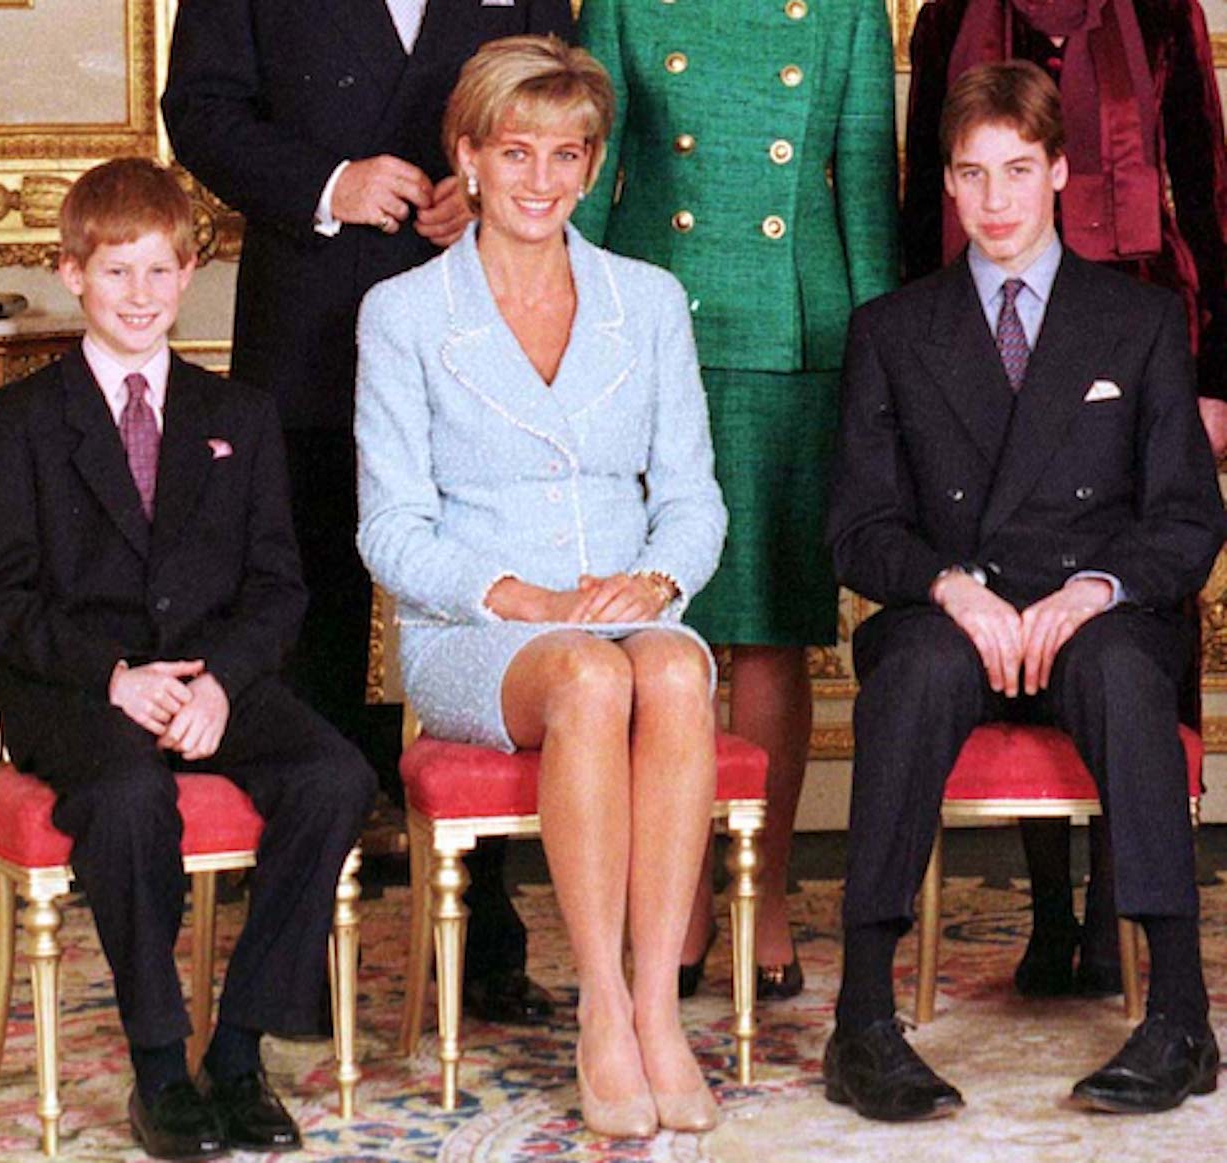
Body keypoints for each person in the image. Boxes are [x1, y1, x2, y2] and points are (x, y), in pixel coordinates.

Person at [824, 62, 1224, 1121]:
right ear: (946, 187)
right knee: (905, 672)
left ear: (1056, 171)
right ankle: (861, 1020)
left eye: (1015, 169)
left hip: (1093, 615)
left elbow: (1186, 516)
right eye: (970, 174)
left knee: (1131, 678)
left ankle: (1180, 1015)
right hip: (953, 612)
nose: (994, 200)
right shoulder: (891, 330)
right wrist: (951, 588)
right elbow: (857, 530)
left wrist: (1094, 588)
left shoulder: (1136, 322)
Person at [162, 0, 575, 1027]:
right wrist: (328, 185)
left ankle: (484, 945)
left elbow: (550, 95)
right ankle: (295, 950)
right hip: (308, 338)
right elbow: (200, 109)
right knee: (312, 639)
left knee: (486, 620)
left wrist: (476, 193)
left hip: (475, 324)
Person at [0, 159, 377, 1160]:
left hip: (208, 674)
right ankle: (160, 1062)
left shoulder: (240, 415)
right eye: (116, 274)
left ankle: (236, 1051)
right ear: (72, 273)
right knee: (129, 795)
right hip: (74, 681)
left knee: (336, 773)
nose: (140, 295)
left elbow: (278, 584)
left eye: (158, 271)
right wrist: (115, 674)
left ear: (189, 272)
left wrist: (224, 682)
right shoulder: (16, 421)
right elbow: (5, 600)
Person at [356, 36, 728, 1138]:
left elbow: (695, 501)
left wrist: (656, 576)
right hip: (475, 628)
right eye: (514, 153)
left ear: (594, 165)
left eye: (566, 155)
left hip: (624, 606)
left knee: (666, 665)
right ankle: (601, 1010)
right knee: (585, 676)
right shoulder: (406, 315)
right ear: (465, 157)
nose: (539, 181)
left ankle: (659, 1007)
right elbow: (389, 526)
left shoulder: (649, 300)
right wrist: (511, 594)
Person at [573, 0, 899, 998]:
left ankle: (762, 886)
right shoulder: (623, 6)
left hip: (790, 336)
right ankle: (677, 896)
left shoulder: (845, 11)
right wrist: (559, 323)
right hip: (652, 320)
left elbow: (868, 198)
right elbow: (586, 179)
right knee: (660, 627)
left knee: (767, 629)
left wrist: (878, 365)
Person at [902, 0, 1227, 999]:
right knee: (1012, 594)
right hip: (990, 324)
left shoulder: (1157, 9)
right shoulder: (951, 12)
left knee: (1127, 622)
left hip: (1138, 320)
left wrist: (1215, 373)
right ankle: (1050, 908)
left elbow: (1208, 185)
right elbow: (922, 193)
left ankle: (1113, 915)